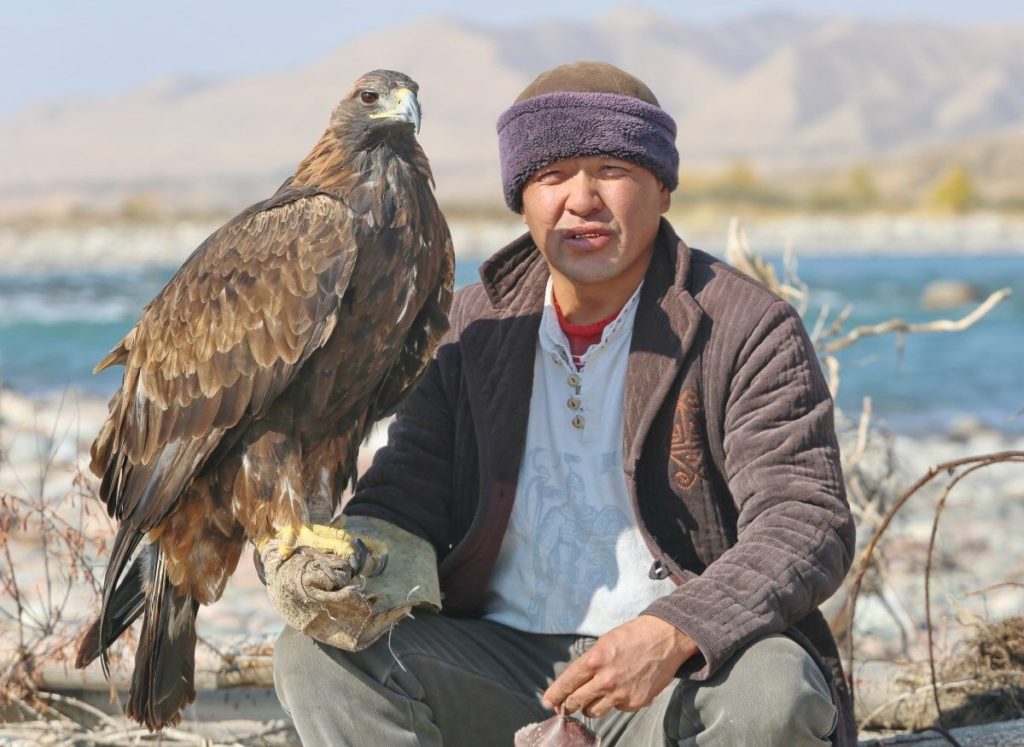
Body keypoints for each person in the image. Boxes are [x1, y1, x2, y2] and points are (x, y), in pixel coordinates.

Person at [272, 61, 857, 746]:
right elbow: (408, 498)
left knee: (772, 696)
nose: (581, 199)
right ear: (522, 197)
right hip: (502, 666)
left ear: (662, 188)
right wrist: (337, 561)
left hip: (686, 673)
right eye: (552, 176)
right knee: (315, 659)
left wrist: (675, 629)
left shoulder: (745, 325)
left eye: (612, 169)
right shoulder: (469, 328)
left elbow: (805, 520)